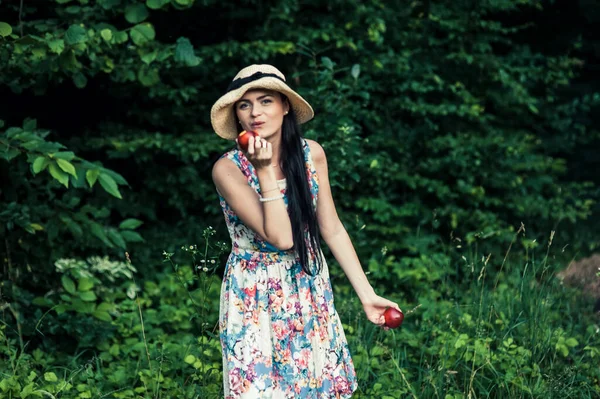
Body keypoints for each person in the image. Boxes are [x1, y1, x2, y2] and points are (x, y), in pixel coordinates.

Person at [210, 64, 401, 399]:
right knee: (259, 389)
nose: (256, 112)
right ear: (237, 116)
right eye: (245, 104)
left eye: (266, 101)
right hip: (254, 291)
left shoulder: (311, 154)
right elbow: (281, 238)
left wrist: (366, 294)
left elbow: (332, 228)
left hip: (306, 282)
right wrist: (265, 171)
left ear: (285, 106)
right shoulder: (228, 169)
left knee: (314, 384)